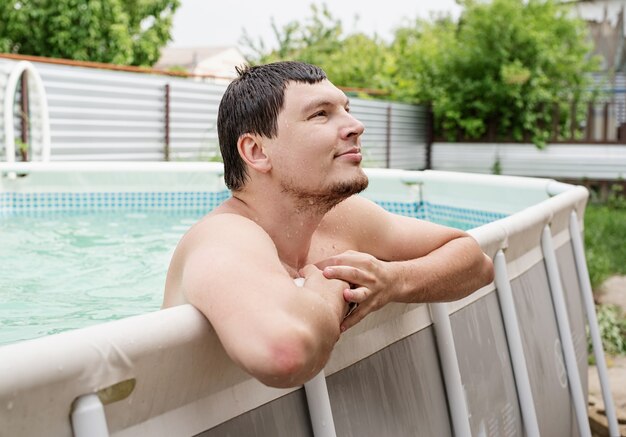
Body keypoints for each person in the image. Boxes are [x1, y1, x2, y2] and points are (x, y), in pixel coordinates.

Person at [162, 61, 494, 389]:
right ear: (257, 151)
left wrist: (393, 280)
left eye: (346, 109)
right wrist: (330, 288)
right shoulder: (224, 237)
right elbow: (285, 353)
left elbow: (476, 262)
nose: (356, 125)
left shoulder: (340, 218)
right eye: (320, 114)